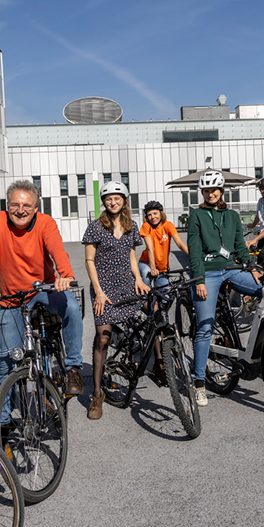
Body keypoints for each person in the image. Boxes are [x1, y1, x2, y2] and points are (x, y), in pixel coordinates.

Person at [0, 180, 85, 432]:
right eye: (15, 204)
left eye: (26, 205)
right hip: (12, 297)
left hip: (44, 289)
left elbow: (57, 250)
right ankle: (2, 422)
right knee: (8, 360)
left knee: (71, 307)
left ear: (36, 207)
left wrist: (65, 275)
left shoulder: (45, 223)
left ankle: (73, 369)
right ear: (7, 205)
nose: (20, 210)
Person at [188, 170, 264, 406]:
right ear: (203, 193)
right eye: (207, 190)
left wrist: (252, 266)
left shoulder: (231, 215)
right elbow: (194, 250)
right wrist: (199, 279)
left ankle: (259, 349)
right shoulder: (197, 215)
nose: (211, 194)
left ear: (222, 191)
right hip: (208, 273)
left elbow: (240, 246)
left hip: (232, 268)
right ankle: (199, 382)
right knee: (205, 327)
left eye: (215, 190)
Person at [82, 180, 149, 420]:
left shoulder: (132, 226)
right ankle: (97, 394)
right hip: (104, 287)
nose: (113, 201)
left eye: (117, 198)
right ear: (104, 202)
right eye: (109, 198)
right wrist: (99, 291)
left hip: (127, 284)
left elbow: (132, 254)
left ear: (124, 200)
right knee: (103, 337)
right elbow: (89, 260)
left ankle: (162, 366)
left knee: (155, 308)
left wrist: (139, 279)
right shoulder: (96, 227)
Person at [139, 200, 189, 288]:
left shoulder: (168, 225)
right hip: (147, 263)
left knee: (166, 294)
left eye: (155, 213)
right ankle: (145, 299)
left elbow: (180, 244)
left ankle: (157, 301)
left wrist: (195, 257)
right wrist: (153, 268)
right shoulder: (146, 226)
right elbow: (150, 248)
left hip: (162, 268)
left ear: (161, 213)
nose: (152, 217)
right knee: (145, 273)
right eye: (149, 215)